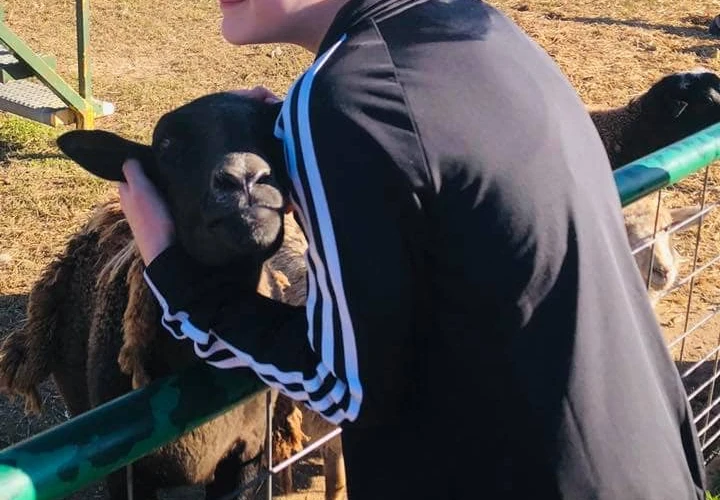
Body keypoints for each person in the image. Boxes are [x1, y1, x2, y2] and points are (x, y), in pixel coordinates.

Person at [117, 0, 707, 498]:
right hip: (641, 460)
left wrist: (172, 270)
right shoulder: (477, 28)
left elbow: (342, 383)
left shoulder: (345, 98)